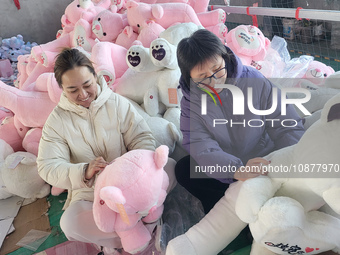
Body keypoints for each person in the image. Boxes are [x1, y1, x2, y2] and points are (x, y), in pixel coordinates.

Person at [37, 48, 176, 255]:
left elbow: (142, 137)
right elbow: (48, 166)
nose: (83, 95)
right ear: (62, 88)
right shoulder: (57, 122)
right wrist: (84, 172)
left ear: (95, 76)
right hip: (94, 195)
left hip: (132, 184)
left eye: (87, 85)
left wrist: (137, 169)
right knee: (70, 223)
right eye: (73, 90)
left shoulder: (116, 103)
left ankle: (138, 231)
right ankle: (136, 232)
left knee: (171, 167)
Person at [175, 29, 305, 214]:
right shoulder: (191, 101)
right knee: (184, 170)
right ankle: (230, 212)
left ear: (224, 57)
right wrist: (236, 170)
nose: (214, 81)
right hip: (228, 168)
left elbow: (284, 121)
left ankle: (257, 208)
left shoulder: (253, 81)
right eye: (203, 77)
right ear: (190, 77)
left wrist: (294, 158)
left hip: (264, 158)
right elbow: (200, 144)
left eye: (217, 69)